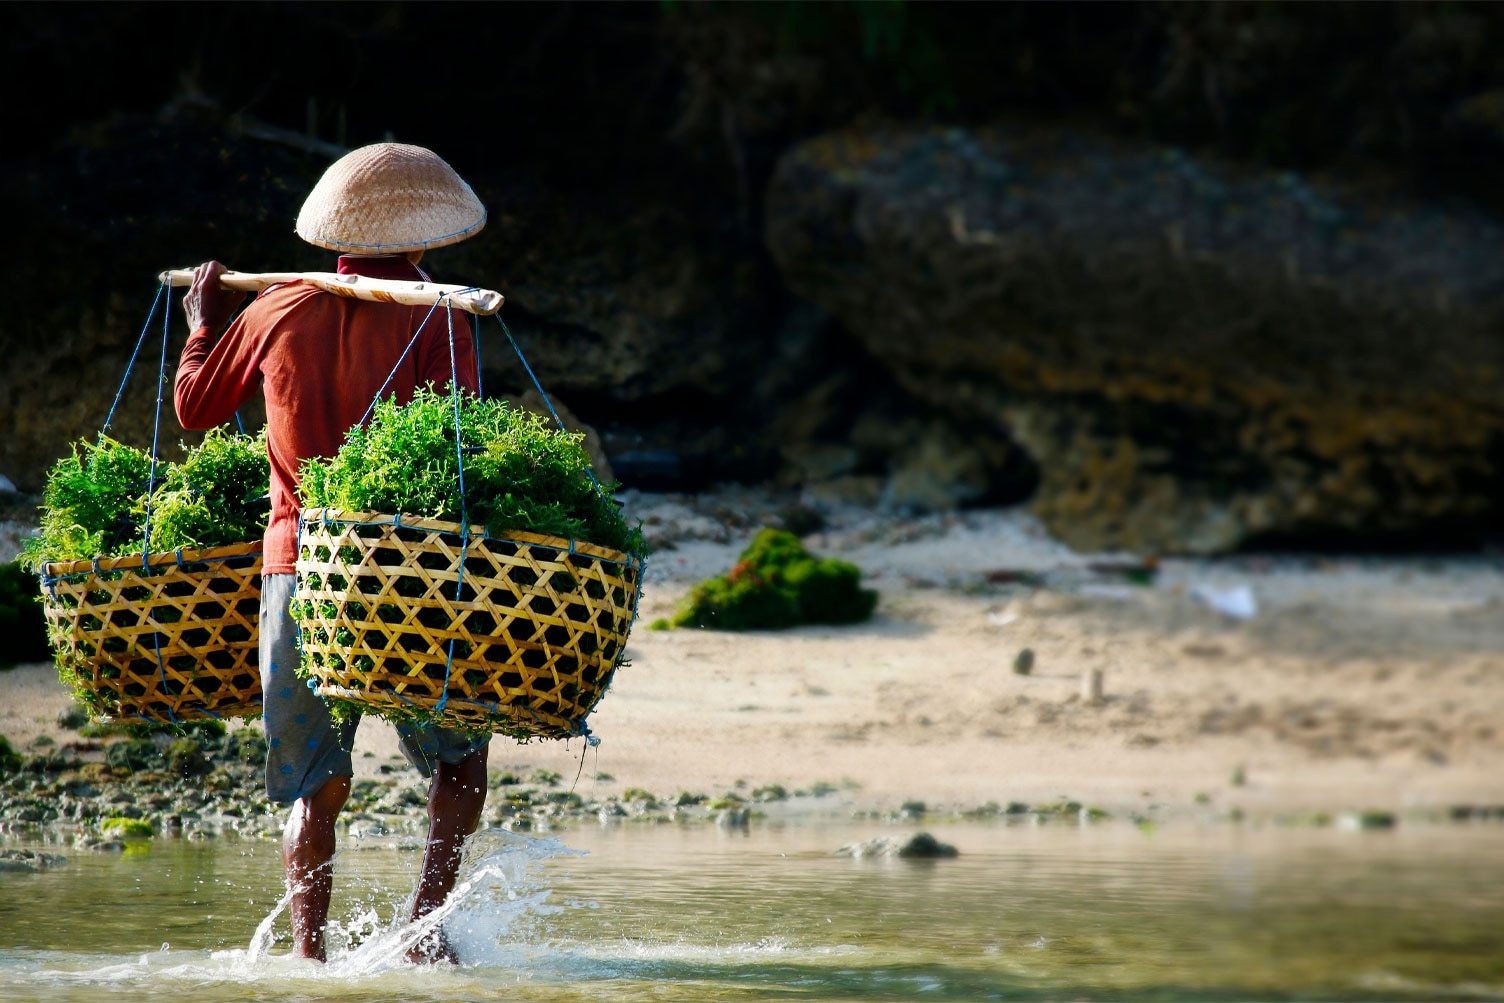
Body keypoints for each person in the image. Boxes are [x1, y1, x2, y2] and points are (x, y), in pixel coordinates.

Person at [174, 143, 491, 965]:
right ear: (425, 236)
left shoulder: (276, 306)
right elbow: (459, 444)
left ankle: (310, 960)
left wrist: (202, 327)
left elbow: (195, 408)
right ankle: (427, 929)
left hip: (299, 564)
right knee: (460, 756)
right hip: (409, 571)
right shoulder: (439, 313)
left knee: (318, 780)